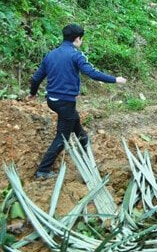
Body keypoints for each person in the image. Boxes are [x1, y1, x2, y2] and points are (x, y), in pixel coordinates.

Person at [29, 24, 127, 179]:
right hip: (65, 102)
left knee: (75, 122)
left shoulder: (50, 55)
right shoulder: (76, 55)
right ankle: (43, 169)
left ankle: (85, 148)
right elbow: (92, 73)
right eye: (81, 39)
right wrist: (115, 79)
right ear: (77, 39)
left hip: (52, 100)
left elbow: (36, 78)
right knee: (63, 136)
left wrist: (32, 94)